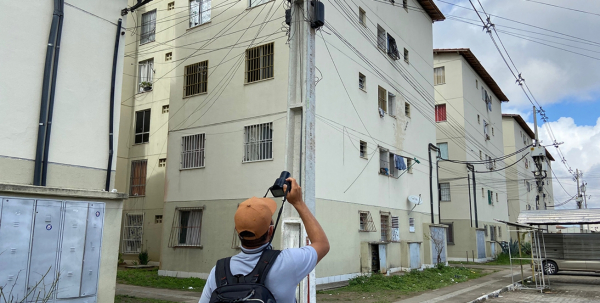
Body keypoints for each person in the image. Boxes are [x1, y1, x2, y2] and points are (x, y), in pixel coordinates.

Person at [199, 177, 329, 303]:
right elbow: (322, 244)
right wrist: (298, 202)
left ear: (238, 233)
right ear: (270, 231)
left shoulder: (218, 271)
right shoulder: (287, 262)